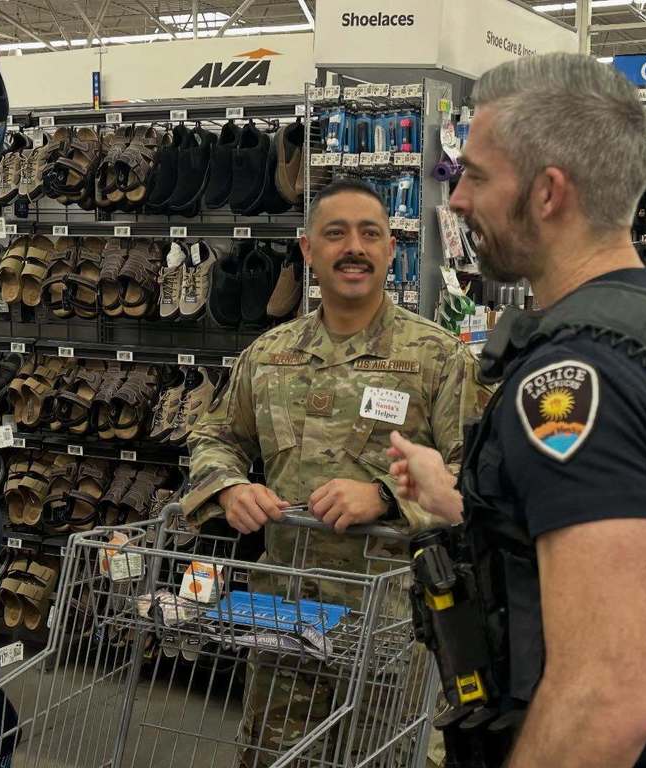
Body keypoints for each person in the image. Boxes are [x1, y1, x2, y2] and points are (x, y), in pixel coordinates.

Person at [388, 53, 646, 768]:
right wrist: (460, 498)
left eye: (476, 175)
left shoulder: (579, 380)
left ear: (547, 193)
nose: (460, 200)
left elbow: (605, 704)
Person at [180, 177, 489, 767]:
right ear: (307, 250)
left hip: (392, 625)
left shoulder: (437, 358)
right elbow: (214, 434)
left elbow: (471, 476)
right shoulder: (268, 355)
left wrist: (386, 495)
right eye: (336, 233)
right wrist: (229, 486)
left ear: (390, 248)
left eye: (370, 234)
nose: (355, 247)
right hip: (282, 618)